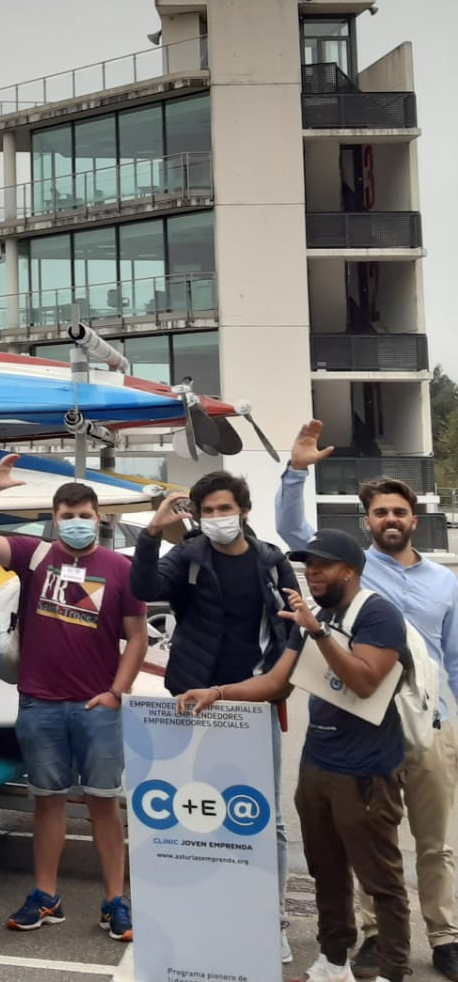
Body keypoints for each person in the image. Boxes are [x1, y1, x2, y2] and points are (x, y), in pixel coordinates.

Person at [178, 529, 412, 982]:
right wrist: (219, 691)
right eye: (308, 564)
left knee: (379, 878)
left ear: (350, 569)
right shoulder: (316, 615)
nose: (312, 572)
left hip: (366, 771)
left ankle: (392, 971)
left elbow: (365, 681)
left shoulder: (377, 615)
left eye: (322, 564)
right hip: (319, 764)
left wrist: (319, 633)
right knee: (326, 871)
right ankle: (334, 962)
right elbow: (276, 683)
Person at [279, 420, 458, 981]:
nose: (391, 520)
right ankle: (375, 938)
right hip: (366, 721)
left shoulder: (444, 582)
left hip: (430, 721)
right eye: (380, 513)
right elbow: (292, 529)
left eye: (399, 512)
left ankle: (445, 933)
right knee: (370, 838)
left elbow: (453, 658)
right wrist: (297, 470)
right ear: (367, 523)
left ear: (414, 520)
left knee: (433, 841)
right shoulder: (353, 569)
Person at [0, 457, 146, 942]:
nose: (76, 522)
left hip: (97, 709)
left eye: (83, 514)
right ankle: (46, 896)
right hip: (40, 704)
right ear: (54, 518)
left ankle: (115, 901)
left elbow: (137, 637)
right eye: (66, 515)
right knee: (46, 803)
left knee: (104, 804)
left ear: (98, 517)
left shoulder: (120, 569)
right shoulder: (34, 555)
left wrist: (116, 693)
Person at [131, 469, 300, 962]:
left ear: (243, 510)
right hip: (191, 697)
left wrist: (277, 675)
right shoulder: (187, 555)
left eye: (225, 509)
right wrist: (152, 531)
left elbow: (292, 622)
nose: (217, 518)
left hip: (252, 700)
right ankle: (199, 912)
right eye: (208, 511)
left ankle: (273, 919)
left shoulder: (270, 560)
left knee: (263, 815)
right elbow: (143, 589)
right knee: (193, 806)